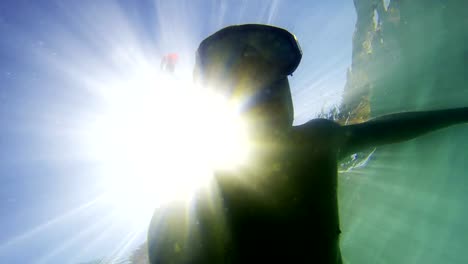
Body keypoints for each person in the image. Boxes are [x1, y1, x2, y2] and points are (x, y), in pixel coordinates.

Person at [147, 24, 468, 263]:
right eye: (251, 88)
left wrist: (460, 113)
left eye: (274, 82)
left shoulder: (319, 141)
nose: (266, 93)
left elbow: (387, 128)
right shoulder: (185, 207)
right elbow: (383, 129)